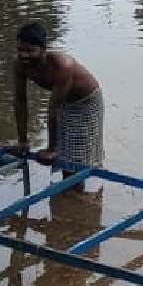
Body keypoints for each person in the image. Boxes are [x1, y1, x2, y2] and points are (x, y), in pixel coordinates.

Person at [13, 22, 104, 173]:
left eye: (29, 51)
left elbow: (53, 110)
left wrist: (51, 148)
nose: (23, 55)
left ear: (43, 49)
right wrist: (22, 141)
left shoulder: (62, 66)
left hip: (86, 102)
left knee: (78, 157)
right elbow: (20, 101)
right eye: (20, 50)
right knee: (65, 154)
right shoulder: (19, 65)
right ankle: (70, 191)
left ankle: (77, 192)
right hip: (64, 100)